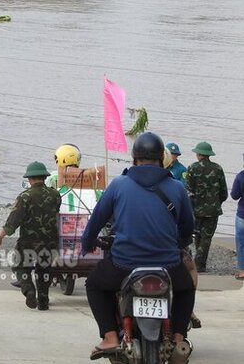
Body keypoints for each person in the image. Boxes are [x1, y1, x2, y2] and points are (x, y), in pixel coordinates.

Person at [81, 132, 195, 361]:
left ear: (134, 159)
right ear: (161, 159)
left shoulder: (119, 185)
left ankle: (111, 336)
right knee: (186, 288)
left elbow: (96, 221)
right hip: (168, 264)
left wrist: (87, 243)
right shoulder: (177, 188)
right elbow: (187, 227)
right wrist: (179, 245)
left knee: (94, 285)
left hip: (124, 263)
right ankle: (179, 338)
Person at [0, 161, 61, 310]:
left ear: (29, 179)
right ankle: (43, 302)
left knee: (20, 265)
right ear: (44, 177)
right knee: (44, 270)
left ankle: (29, 290)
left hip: (28, 242)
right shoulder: (55, 195)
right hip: (50, 242)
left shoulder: (25, 196)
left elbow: (13, 221)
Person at [185, 141, 228, 272]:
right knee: (207, 237)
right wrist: (217, 202)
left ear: (198, 154)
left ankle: (199, 262)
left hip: (196, 209)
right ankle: (200, 264)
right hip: (213, 210)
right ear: (209, 155)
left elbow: (188, 190)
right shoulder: (218, 168)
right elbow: (224, 192)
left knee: (197, 235)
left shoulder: (192, 168)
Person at [231, 156, 244, 280]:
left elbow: (234, 195)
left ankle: (242, 271)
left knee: (241, 243)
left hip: (242, 214)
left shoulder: (240, 176)